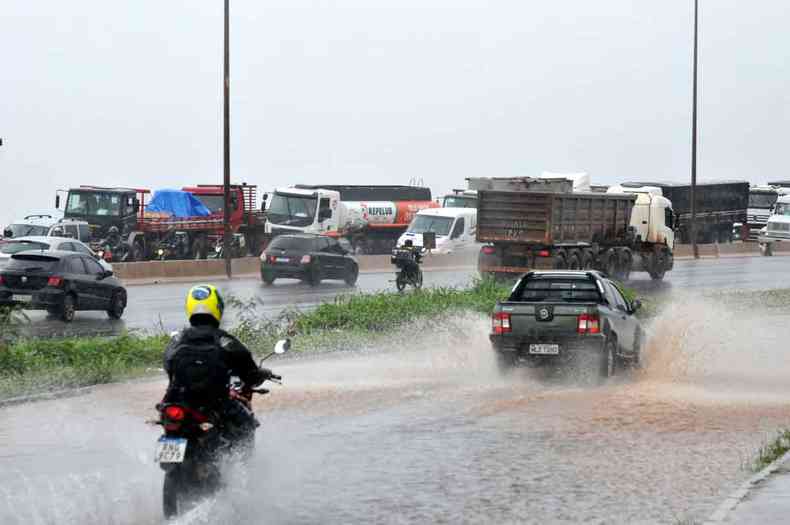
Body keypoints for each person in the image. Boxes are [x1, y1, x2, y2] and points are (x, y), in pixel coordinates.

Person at [162, 284, 273, 443]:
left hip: (179, 403)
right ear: (217, 307)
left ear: (190, 307)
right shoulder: (224, 340)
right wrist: (257, 376)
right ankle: (243, 466)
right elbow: (248, 370)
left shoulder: (177, 339)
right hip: (215, 403)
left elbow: (168, 365)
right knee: (248, 423)